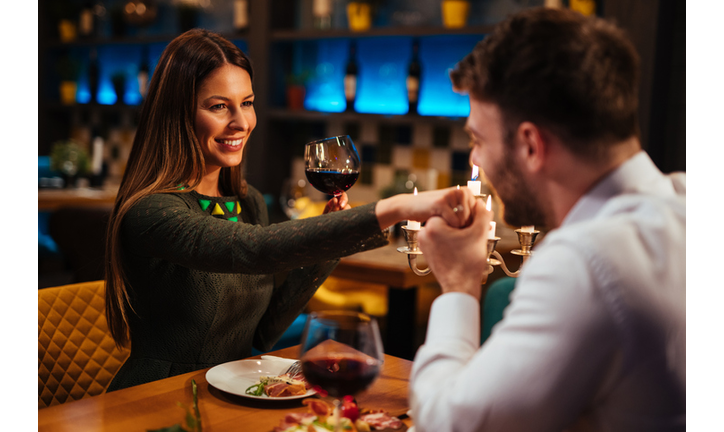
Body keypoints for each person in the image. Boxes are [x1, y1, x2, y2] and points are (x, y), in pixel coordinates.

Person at [103, 29, 475, 392]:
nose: (241, 122)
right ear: (177, 114)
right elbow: (254, 249)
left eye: (246, 103)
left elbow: (265, 331)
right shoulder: (152, 212)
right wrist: (397, 208)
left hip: (232, 392)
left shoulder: (246, 203)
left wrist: (332, 235)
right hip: (158, 396)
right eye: (219, 106)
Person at [410, 7, 685, 432]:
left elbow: (449, 423)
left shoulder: (584, 262)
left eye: (478, 140)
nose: (475, 160)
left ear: (531, 146)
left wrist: (458, 283)